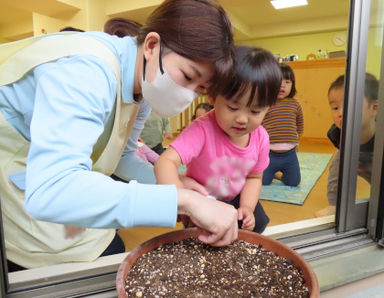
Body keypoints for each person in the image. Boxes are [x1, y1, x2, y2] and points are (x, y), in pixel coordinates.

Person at [0, 0, 238, 271]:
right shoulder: (86, 71)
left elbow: (123, 156)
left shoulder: (143, 85)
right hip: (21, 179)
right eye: (187, 76)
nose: (188, 95)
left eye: (199, 89)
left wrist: (175, 184)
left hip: (47, 181)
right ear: (151, 46)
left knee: (103, 243)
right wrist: (182, 200)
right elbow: (51, 190)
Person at [154, 45, 282, 234]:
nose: (242, 119)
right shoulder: (202, 129)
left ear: (268, 108)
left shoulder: (260, 137)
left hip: (238, 196)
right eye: (232, 107)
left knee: (257, 227)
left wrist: (247, 206)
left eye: (255, 111)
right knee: (206, 242)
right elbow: (165, 161)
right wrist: (180, 198)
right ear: (213, 97)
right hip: (204, 198)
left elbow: (254, 177)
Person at [315, 73, 378, 217]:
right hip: (354, 155)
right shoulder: (335, 133)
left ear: (374, 108)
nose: (341, 113)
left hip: (377, 159)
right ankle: (335, 205)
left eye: (351, 105)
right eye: (335, 108)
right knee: (338, 163)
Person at [261, 63, 304, 187]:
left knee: (294, 182)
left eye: (287, 81)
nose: (282, 85)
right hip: (269, 154)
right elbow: (259, 127)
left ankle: (280, 174)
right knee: (263, 182)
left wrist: (298, 141)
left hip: (289, 155)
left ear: (292, 85)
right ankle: (274, 173)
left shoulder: (295, 104)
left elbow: (300, 124)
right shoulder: (266, 104)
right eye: (278, 80)